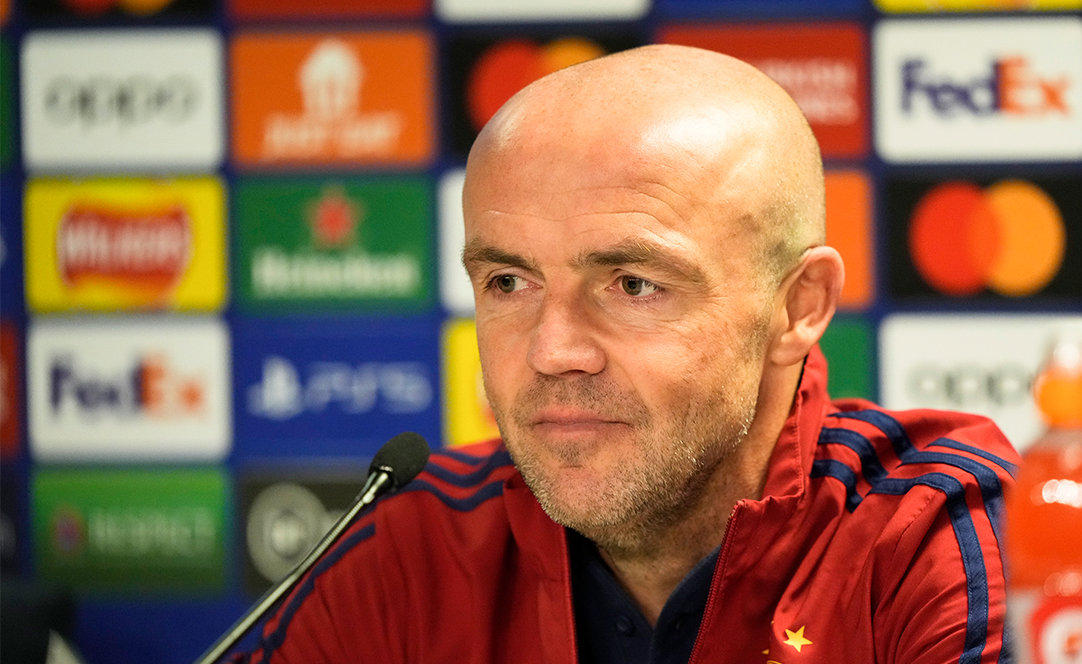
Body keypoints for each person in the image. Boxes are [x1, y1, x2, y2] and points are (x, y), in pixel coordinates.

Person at [239, 44, 1019, 664]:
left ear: (798, 307)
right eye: (509, 282)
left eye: (634, 284)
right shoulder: (409, 551)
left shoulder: (927, 536)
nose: (554, 351)